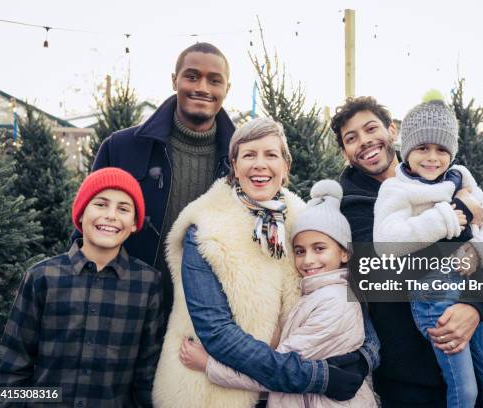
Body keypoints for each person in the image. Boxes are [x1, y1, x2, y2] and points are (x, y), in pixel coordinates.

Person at [152, 118, 379, 407]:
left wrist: (366, 355)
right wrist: (318, 376)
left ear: (285, 165)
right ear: (234, 166)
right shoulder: (205, 227)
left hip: (289, 396)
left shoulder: (305, 222)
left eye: (271, 155)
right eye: (249, 155)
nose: (260, 164)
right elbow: (217, 332)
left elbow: (348, 290)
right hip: (213, 388)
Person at [330, 96, 483, 408]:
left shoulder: (450, 178)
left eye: (371, 128)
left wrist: (476, 307)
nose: (364, 142)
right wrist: (460, 214)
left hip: (474, 339)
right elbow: (382, 269)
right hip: (412, 374)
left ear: (392, 131)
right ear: (346, 152)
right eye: (351, 138)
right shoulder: (351, 205)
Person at [176, 179, 378, 408]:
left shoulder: (334, 302)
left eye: (319, 248)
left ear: (344, 253)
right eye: (300, 251)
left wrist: (208, 365)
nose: (308, 260)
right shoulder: (317, 292)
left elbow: (278, 370)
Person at [0, 167, 164, 407]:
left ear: (135, 223)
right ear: (81, 214)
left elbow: (146, 375)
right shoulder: (41, 276)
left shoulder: (148, 284)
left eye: (123, 209)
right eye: (101, 204)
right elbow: (12, 367)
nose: (111, 215)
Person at [91, 42, 235, 320]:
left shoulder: (242, 158)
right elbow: (86, 226)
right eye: (192, 76)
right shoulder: (121, 147)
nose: (202, 88)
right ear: (175, 80)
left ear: (227, 89)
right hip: (124, 306)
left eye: (214, 81)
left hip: (205, 317)